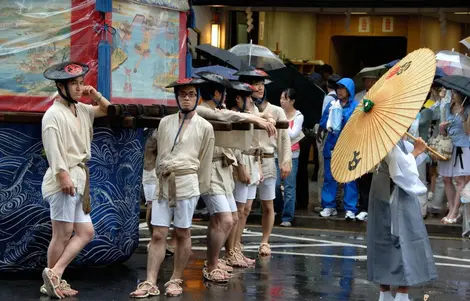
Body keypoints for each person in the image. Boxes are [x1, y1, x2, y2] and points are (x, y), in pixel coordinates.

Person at [130, 78, 215, 297]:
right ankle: (150, 281)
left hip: (187, 181)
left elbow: (205, 161)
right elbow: (156, 152)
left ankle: (175, 278)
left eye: (191, 94)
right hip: (164, 181)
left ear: (197, 98)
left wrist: (201, 189)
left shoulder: (205, 126)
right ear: (177, 97)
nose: (187, 98)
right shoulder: (165, 122)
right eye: (183, 94)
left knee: (182, 231)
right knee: (158, 234)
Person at [195, 71, 277, 280]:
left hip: (222, 170)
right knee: (223, 217)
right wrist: (256, 118)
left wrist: (260, 117)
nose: (226, 96)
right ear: (215, 93)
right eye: (223, 92)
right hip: (210, 169)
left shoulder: (216, 108)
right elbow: (227, 115)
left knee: (230, 217)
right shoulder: (203, 110)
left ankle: (216, 259)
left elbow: (231, 114)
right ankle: (212, 264)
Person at [40, 61, 110, 298]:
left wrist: (95, 94)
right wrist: (62, 174)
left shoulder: (81, 109)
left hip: (79, 177)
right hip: (64, 178)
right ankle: (52, 280)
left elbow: (108, 109)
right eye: (74, 84)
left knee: (85, 232)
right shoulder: (53, 114)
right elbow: (52, 149)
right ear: (61, 86)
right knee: (62, 233)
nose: (80, 88)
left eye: (81, 83)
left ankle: (55, 274)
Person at [367, 137, 437, 301]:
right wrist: (417, 151)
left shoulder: (380, 135)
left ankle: (384, 293)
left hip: (380, 189)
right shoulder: (388, 137)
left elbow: (401, 161)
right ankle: (402, 293)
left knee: (382, 239)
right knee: (403, 238)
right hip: (395, 193)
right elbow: (399, 168)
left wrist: (417, 151)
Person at [236, 68, 292, 257]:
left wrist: (285, 161)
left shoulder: (276, 110)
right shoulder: (243, 111)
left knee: (268, 205)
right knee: (244, 207)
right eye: (254, 84)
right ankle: (237, 243)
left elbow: (284, 138)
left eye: (261, 84)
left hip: (267, 159)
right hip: (248, 158)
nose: (259, 88)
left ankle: (265, 241)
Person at [225, 80, 261, 265]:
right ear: (238, 98)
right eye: (248, 98)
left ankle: (236, 247)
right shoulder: (230, 114)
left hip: (250, 161)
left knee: (244, 210)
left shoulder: (245, 114)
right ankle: (231, 251)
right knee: (237, 211)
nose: (251, 102)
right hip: (239, 163)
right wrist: (240, 165)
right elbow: (233, 146)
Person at [318, 78, 359, 220]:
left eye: (343, 88)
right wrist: (331, 116)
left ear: (349, 90)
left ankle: (350, 208)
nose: (340, 91)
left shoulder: (356, 106)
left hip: (348, 146)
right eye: (338, 88)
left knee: (350, 178)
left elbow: (358, 126)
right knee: (330, 177)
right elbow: (323, 123)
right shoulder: (331, 104)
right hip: (331, 145)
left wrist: (340, 116)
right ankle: (329, 205)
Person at [437, 86, 470, 224]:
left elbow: (468, 131)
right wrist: (442, 128)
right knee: (446, 179)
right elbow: (444, 132)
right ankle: (452, 209)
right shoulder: (447, 106)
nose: (453, 94)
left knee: (460, 179)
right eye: (453, 92)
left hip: (462, 146)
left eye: (456, 92)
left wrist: (463, 116)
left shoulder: (467, 108)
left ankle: (455, 211)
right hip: (448, 146)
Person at [142, 128, 175, 257]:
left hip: (165, 168)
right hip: (150, 169)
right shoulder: (150, 130)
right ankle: (154, 239)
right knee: (151, 205)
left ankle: (165, 240)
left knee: (164, 206)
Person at [275, 88, 304, 227]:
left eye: (285, 99)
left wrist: (281, 124)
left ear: (292, 101)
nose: (282, 101)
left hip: (292, 155)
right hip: (276, 153)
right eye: (281, 98)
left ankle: (287, 216)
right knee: (274, 185)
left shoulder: (298, 116)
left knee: (289, 186)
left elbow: (293, 134)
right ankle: (277, 209)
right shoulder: (276, 112)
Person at [353, 74, 379, 221]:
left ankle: (373, 207)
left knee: (377, 176)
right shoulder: (358, 96)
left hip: (376, 139)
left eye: (372, 79)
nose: (369, 82)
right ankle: (363, 205)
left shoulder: (381, 94)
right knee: (362, 175)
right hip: (362, 137)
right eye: (366, 80)